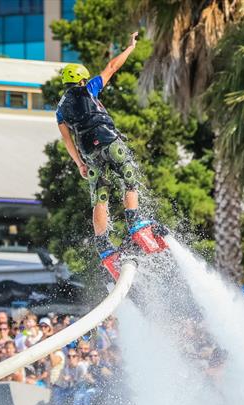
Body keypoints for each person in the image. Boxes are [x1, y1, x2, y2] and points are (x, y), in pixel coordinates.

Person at [56, 32, 157, 267]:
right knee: (129, 177)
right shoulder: (88, 88)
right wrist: (131, 48)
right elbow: (111, 67)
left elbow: (67, 140)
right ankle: (135, 224)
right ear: (82, 80)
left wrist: (79, 163)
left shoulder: (60, 110)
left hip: (88, 153)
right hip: (107, 139)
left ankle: (103, 245)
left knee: (99, 196)